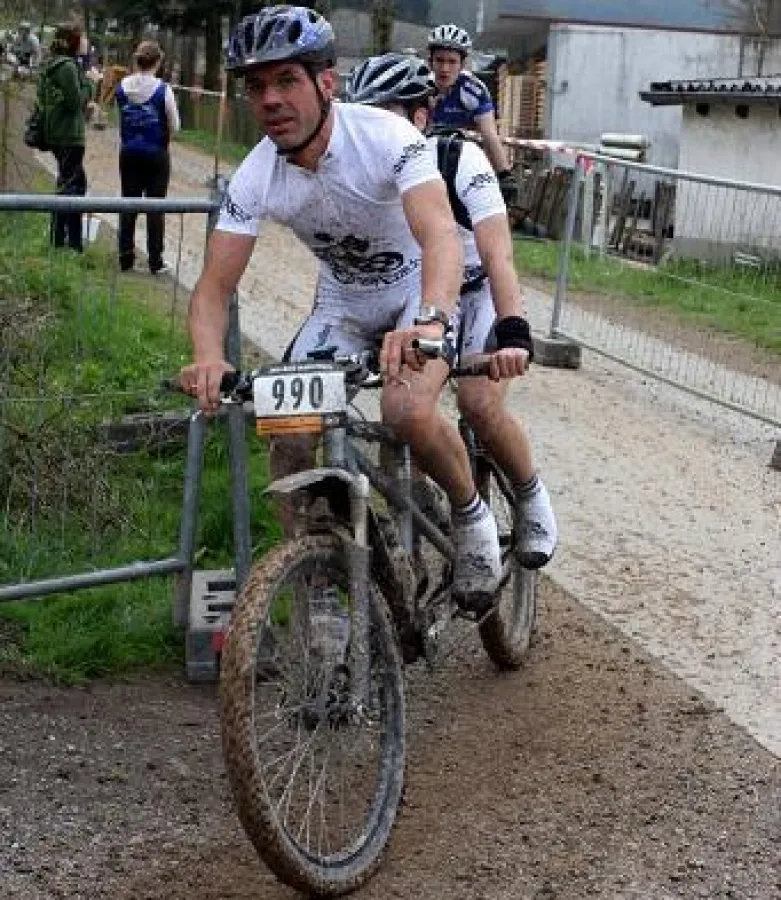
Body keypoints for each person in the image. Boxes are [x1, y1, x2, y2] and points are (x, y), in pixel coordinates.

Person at [180, 5, 504, 602]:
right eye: (256, 86)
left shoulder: (387, 136)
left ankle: (471, 516)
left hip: (416, 294)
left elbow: (439, 237)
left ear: (326, 83)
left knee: (405, 412)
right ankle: (320, 581)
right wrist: (207, 357)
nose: (270, 99)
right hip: (344, 305)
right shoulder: (256, 175)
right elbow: (212, 288)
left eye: (286, 80)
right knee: (287, 429)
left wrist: (431, 317)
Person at [347, 53, 557, 568]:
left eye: (385, 116)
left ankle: (530, 497)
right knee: (406, 410)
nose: (371, 132)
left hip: (477, 293)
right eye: (362, 117)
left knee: (480, 404)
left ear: (420, 118)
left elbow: (498, 255)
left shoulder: (459, 160)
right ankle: (427, 516)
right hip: (423, 301)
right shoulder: (361, 174)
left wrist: (512, 333)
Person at [426, 23, 516, 198]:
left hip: (463, 162)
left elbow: (490, 135)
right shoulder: (420, 86)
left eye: (452, 62)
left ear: (462, 64)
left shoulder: (473, 89)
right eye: (440, 60)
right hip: (427, 163)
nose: (445, 69)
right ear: (430, 61)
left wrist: (505, 175)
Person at [116, 39, 181, 275]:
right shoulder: (163, 90)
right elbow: (175, 124)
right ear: (158, 62)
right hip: (156, 154)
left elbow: (121, 116)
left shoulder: (123, 86)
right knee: (155, 207)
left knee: (128, 203)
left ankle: (125, 256)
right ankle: (155, 260)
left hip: (129, 152)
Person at [40, 23, 94, 252]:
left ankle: (68, 241)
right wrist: (91, 83)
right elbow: (75, 102)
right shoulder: (67, 67)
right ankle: (63, 242)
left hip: (60, 132)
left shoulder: (59, 64)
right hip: (69, 136)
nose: (85, 42)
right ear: (73, 41)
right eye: (81, 37)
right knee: (70, 186)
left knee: (73, 183)